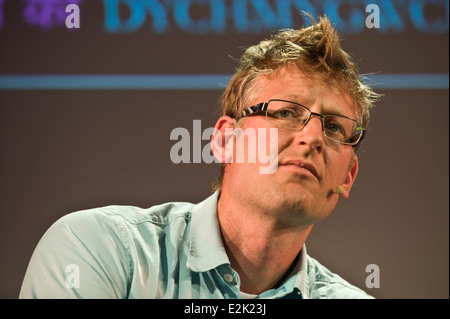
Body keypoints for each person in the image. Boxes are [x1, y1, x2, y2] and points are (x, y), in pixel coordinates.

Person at [19, 15, 381, 299]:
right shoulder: (103, 250)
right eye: (286, 112)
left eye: (334, 127)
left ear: (347, 176)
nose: (314, 137)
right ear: (225, 140)